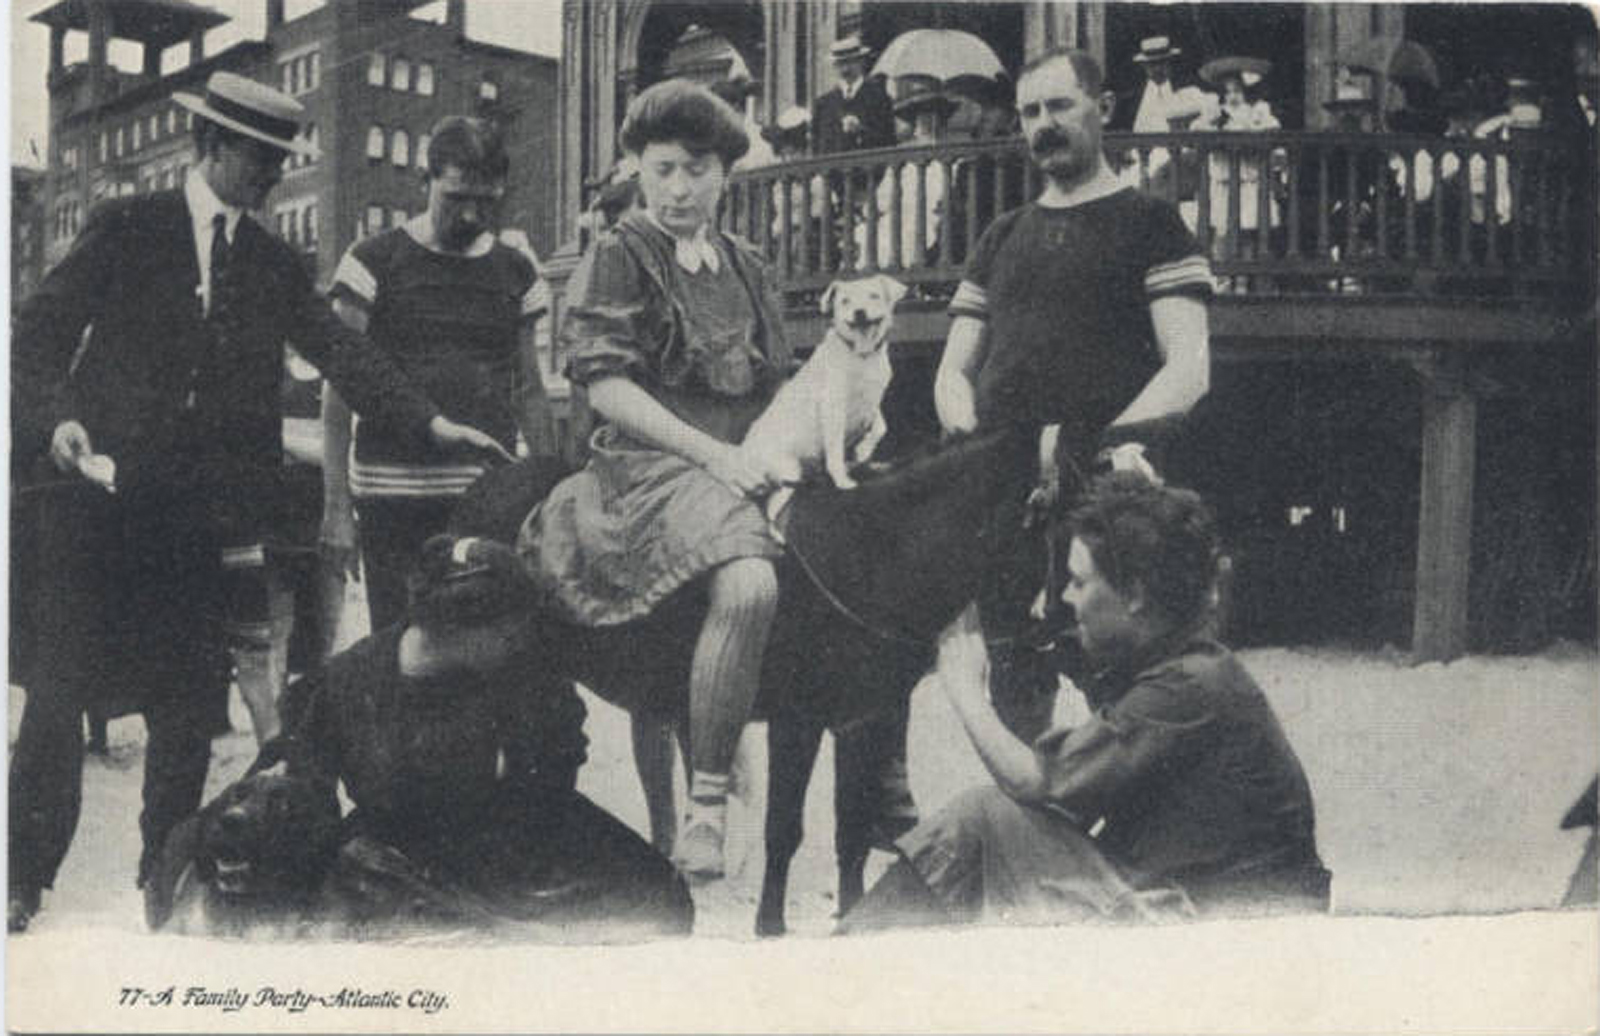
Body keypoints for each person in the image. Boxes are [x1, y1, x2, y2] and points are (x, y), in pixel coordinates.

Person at [7, 72, 506, 934]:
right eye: (262, 159)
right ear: (211, 149)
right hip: (93, 505)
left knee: (186, 710)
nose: (275, 176)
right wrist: (60, 422)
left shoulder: (274, 263)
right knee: (57, 697)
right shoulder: (130, 227)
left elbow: (344, 355)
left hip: (197, 519)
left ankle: (161, 882)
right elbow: (38, 333)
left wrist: (430, 423)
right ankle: (22, 879)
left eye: (282, 161)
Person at [841, 476, 1331, 932]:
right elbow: (1063, 796)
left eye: (1078, 582)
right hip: (1225, 918)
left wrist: (965, 690)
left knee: (982, 817)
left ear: (1135, 595)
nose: (1065, 599)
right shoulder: (1188, 669)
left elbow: (1035, 780)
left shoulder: (1188, 686)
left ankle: (838, 964)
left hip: (1223, 931)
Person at [518, 80, 793, 881]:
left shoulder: (748, 265)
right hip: (648, 465)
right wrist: (714, 456)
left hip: (743, 458)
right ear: (637, 168)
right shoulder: (621, 252)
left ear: (725, 174)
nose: (679, 189)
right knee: (748, 586)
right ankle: (705, 807)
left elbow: (775, 383)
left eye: (698, 170)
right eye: (663, 169)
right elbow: (604, 387)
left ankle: (882, 776)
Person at [933, 47, 1212, 742]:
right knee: (1014, 684)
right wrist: (966, 432)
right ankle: (1038, 835)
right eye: (1030, 112)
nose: (1043, 125)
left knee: (1122, 694)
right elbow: (951, 371)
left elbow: (1191, 364)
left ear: (1104, 108)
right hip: (1005, 491)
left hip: (1107, 492)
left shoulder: (1151, 222)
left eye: (1060, 105)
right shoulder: (1001, 237)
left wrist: (1118, 446)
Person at [276, 489, 693, 939]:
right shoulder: (347, 681)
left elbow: (558, 764)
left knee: (660, 898)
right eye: (509, 629)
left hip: (515, 839)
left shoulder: (521, 668)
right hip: (397, 854)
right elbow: (306, 791)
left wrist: (524, 763)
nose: (520, 637)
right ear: (462, 630)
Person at [320, 116, 551, 635]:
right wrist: (336, 510)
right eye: (456, 197)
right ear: (426, 182)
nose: (471, 213)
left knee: (477, 647)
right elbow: (338, 396)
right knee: (400, 647)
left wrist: (549, 488)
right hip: (390, 500)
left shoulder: (517, 272)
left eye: (486, 201)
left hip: (483, 500)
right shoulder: (372, 262)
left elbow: (530, 389)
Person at [857, 76, 953, 269]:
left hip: (931, 220)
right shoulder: (903, 167)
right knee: (872, 233)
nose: (922, 130)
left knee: (917, 232)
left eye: (929, 121)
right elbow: (879, 203)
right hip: (898, 219)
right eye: (919, 123)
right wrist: (873, 210)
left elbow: (949, 198)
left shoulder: (951, 163)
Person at [813, 35, 896, 155]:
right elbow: (817, 148)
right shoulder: (824, 104)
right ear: (834, 66)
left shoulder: (879, 97)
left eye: (850, 61)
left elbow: (889, 141)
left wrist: (861, 130)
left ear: (861, 61)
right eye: (840, 63)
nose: (845, 69)